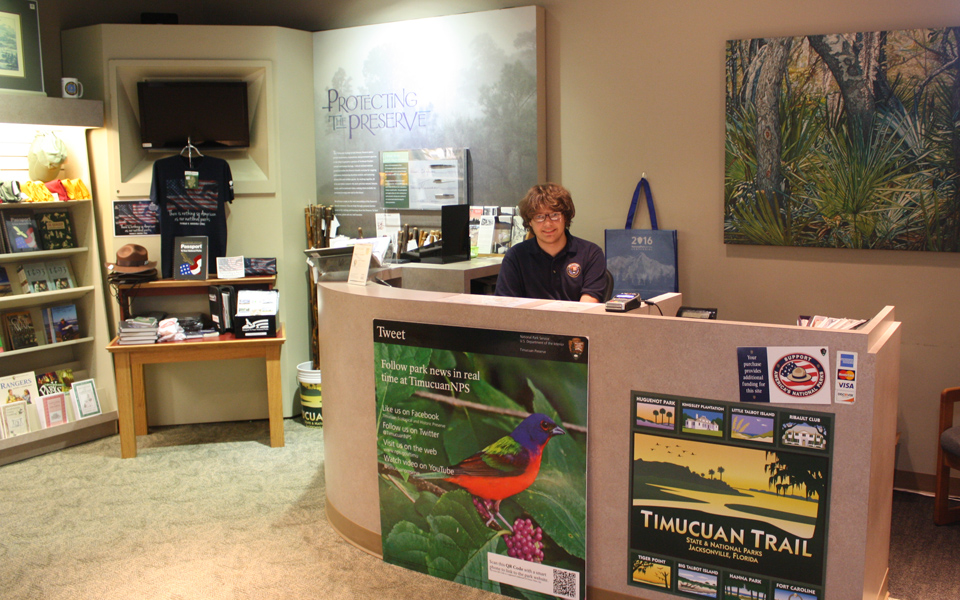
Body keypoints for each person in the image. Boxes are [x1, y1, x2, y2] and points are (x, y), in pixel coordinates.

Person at [495, 183, 606, 302]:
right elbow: (505, 305)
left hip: (575, 319)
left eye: (554, 215)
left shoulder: (591, 254)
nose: (548, 224)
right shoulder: (515, 256)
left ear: (566, 218)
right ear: (530, 221)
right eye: (539, 216)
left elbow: (587, 306)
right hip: (529, 320)